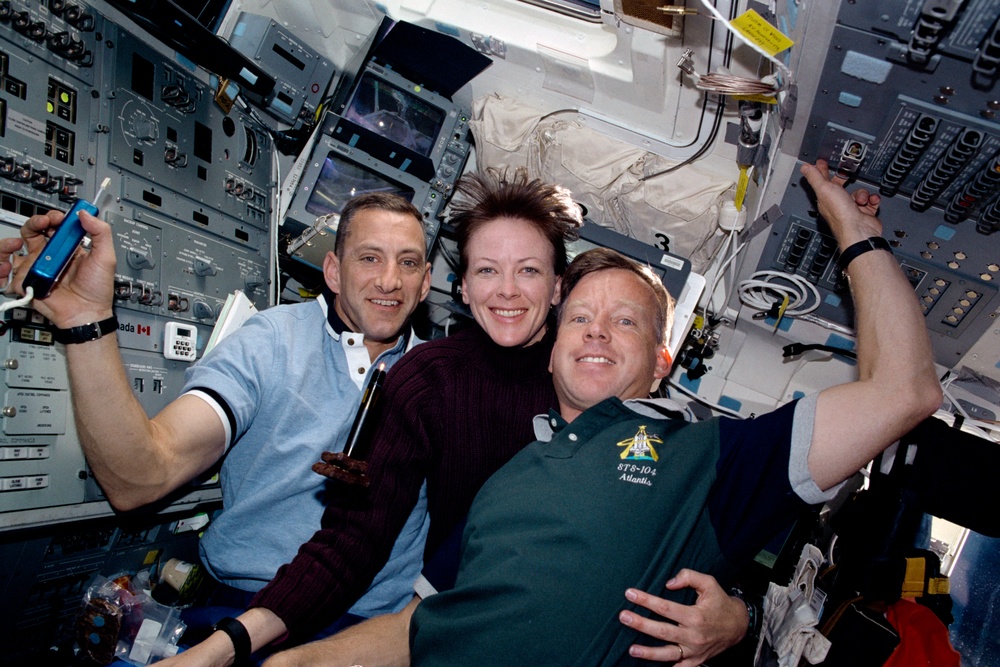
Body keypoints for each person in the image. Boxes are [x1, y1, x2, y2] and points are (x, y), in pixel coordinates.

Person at [402, 159, 942, 664]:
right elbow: (410, 626)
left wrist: (854, 230)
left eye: (626, 322)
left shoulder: (711, 455)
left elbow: (904, 390)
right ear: (552, 353)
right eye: (581, 317)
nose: (596, 330)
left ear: (663, 362)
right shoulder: (506, 479)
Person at [259, 170, 752, 667]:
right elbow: (355, 541)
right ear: (464, 287)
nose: (508, 292)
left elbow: (697, 525)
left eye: (529, 271)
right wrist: (235, 643)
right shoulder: (428, 380)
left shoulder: (596, 385)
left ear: (558, 287)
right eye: (488, 270)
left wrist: (740, 615)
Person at [0, 193, 434, 661]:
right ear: (332, 270)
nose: (390, 280)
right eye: (370, 257)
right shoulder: (270, 343)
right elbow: (141, 476)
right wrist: (86, 319)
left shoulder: (441, 380)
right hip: (248, 607)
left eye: (408, 263)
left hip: (371, 630)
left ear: (427, 282)